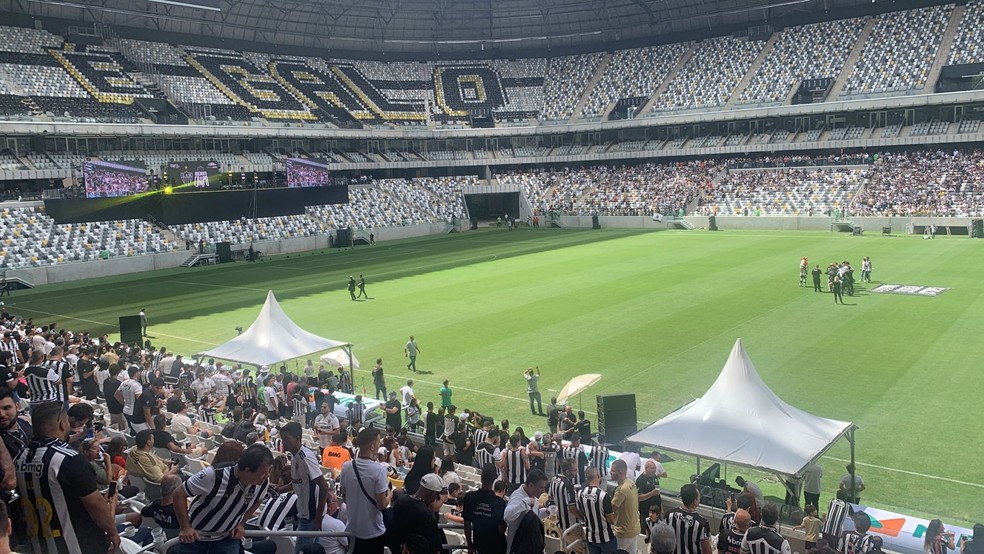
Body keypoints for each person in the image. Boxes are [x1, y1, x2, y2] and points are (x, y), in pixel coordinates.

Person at [14, 401, 121, 553]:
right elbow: (95, 504)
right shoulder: (69, 458)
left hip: (40, 545)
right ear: (62, 424)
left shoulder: (19, 459)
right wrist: (112, 531)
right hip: (78, 545)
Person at [172, 443, 272, 553]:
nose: (267, 475)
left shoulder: (263, 483)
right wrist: (185, 527)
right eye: (263, 472)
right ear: (247, 470)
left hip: (227, 538)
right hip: (197, 536)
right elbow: (178, 494)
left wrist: (241, 523)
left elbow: (258, 500)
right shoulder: (214, 475)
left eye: (268, 471)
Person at [339, 428, 392, 554]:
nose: (380, 445)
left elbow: (345, 497)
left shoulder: (346, 467)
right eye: (378, 442)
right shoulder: (379, 470)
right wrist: (389, 493)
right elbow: (381, 505)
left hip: (353, 530)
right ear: (372, 446)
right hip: (373, 532)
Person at [281, 422, 331, 553]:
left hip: (311, 516)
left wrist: (318, 518)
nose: (283, 443)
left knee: (302, 551)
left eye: (286, 439)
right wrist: (281, 489)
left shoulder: (306, 457)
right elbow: (298, 481)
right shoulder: (295, 456)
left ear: (297, 439)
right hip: (304, 514)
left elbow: (323, 486)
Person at [391, 473, 447, 554]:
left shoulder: (400, 500)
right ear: (432, 494)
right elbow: (435, 549)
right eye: (437, 496)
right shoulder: (428, 516)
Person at [463, 463, 507, 554]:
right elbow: (501, 530)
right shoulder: (500, 503)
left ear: (481, 477)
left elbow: (467, 523)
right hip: (496, 547)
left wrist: (469, 544)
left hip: (479, 544)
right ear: (495, 478)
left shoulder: (469, 497)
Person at [504, 469, 547, 553]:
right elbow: (507, 516)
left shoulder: (534, 497)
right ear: (531, 485)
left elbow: (534, 517)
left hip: (530, 546)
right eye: (541, 487)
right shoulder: (518, 496)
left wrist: (546, 512)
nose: (543, 491)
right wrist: (525, 502)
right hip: (518, 548)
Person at [577, 466, 616, 554]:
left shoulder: (580, 493)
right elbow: (610, 519)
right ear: (598, 475)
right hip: (606, 538)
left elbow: (582, 511)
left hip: (590, 537)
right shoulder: (603, 495)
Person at [664, 484, 711, 554]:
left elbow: (662, 537)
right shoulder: (701, 523)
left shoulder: (669, 514)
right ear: (695, 501)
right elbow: (707, 551)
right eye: (698, 496)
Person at [610, 459, 641, 553]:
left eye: (612, 470)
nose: (610, 472)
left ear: (621, 472)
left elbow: (610, 509)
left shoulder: (621, 490)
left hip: (623, 532)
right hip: (634, 529)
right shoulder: (631, 483)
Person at [140, 474, 183, 540]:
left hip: (162, 537)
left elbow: (143, 512)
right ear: (175, 490)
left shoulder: (155, 505)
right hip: (179, 540)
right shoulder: (179, 511)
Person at [637, 459, 662, 531]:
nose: (654, 470)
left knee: (657, 531)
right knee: (646, 531)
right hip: (646, 511)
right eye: (652, 468)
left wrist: (661, 507)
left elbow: (658, 492)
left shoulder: (655, 477)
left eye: (655, 468)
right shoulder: (641, 480)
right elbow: (639, 497)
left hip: (657, 509)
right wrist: (652, 493)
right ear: (646, 468)